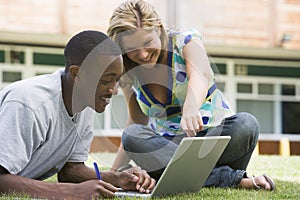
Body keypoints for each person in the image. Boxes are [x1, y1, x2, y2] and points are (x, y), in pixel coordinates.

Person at [107, 0, 275, 191]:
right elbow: (136, 121)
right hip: (168, 149)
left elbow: (200, 74)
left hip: (212, 140)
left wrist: (191, 105)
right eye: (132, 49)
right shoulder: (130, 73)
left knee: (246, 124)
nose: (143, 54)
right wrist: (113, 174)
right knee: (132, 135)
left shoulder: (185, 42)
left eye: (147, 43)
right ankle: (231, 179)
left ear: (159, 30)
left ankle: (180, 176)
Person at [0, 30, 155, 199]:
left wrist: (118, 179)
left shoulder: (85, 101)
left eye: (116, 80)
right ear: (76, 74)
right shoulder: (29, 103)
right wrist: (70, 192)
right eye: (105, 81)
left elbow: (70, 170)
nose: (114, 90)